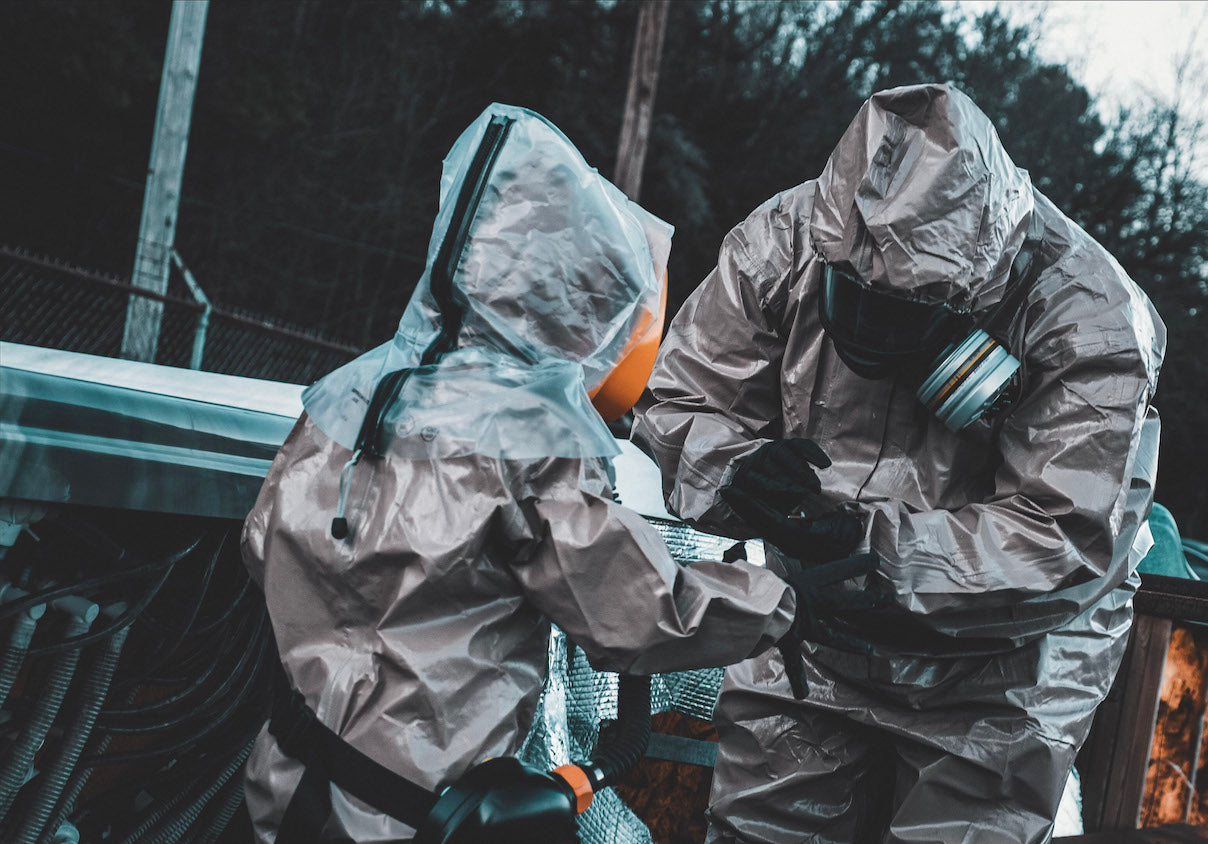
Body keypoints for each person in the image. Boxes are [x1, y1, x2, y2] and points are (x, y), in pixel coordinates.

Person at [239, 104, 874, 842]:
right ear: (569, 299)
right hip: (416, 811)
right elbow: (637, 610)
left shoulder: (351, 394)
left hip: (287, 777)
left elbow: (262, 548)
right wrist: (776, 600)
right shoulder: (525, 446)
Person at [634, 83, 1165, 842]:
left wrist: (871, 553)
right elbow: (681, 399)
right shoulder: (785, 239)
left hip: (1004, 670)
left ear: (979, 285)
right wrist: (732, 470)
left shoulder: (1090, 317)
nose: (866, 323)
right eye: (849, 290)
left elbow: (1061, 537)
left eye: (903, 309)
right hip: (812, 625)